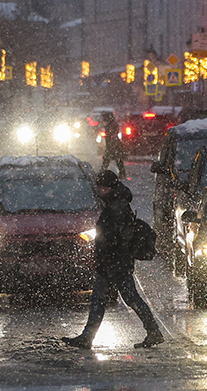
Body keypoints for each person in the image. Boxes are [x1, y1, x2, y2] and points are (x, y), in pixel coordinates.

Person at [62, 170, 164, 350]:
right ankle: (89, 336)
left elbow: (115, 239)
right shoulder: (116, 202)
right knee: (107, 299)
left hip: (115, 263)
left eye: (101, 187)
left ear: (108, 187)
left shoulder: (117, 207)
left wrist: (108, 260)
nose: (98, 190)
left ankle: (152, 331)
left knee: (123, 298)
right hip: (114, 262)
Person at [100, 113, 126, 179]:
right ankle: (122, 173)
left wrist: (111, 145)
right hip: (113, 145)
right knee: (117, 160)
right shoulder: (111, 124)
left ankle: (102, 173)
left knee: (109, 160)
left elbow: (112, 135)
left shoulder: (111, 125)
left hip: (113, 145)